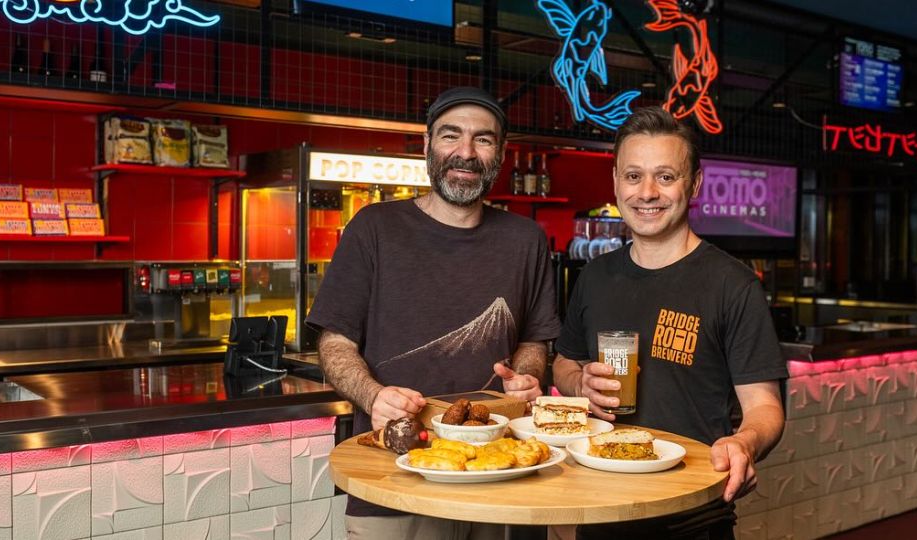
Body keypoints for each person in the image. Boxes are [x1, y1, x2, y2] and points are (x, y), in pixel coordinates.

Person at [306, 86, 561, 539]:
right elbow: (335, 341)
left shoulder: (526, 240)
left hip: (503, 477)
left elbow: (532, 340)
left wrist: (525, 375)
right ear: (426, 146)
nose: (466, 152)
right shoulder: (374, 228)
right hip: (396, 480)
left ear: (499, 153)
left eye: (483, 139)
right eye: (450, 136)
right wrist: (372, 395)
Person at [551, 107, 788, 539]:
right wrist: (578, 382)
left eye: (665, 176)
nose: (647, 193)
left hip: (693, 515)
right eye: (633, 176)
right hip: (600, 508)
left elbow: (765, 407)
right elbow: (564, 362)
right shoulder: (595, 277)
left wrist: (745, 442)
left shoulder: (732, 285)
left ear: (693, 184)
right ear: (616, 183)